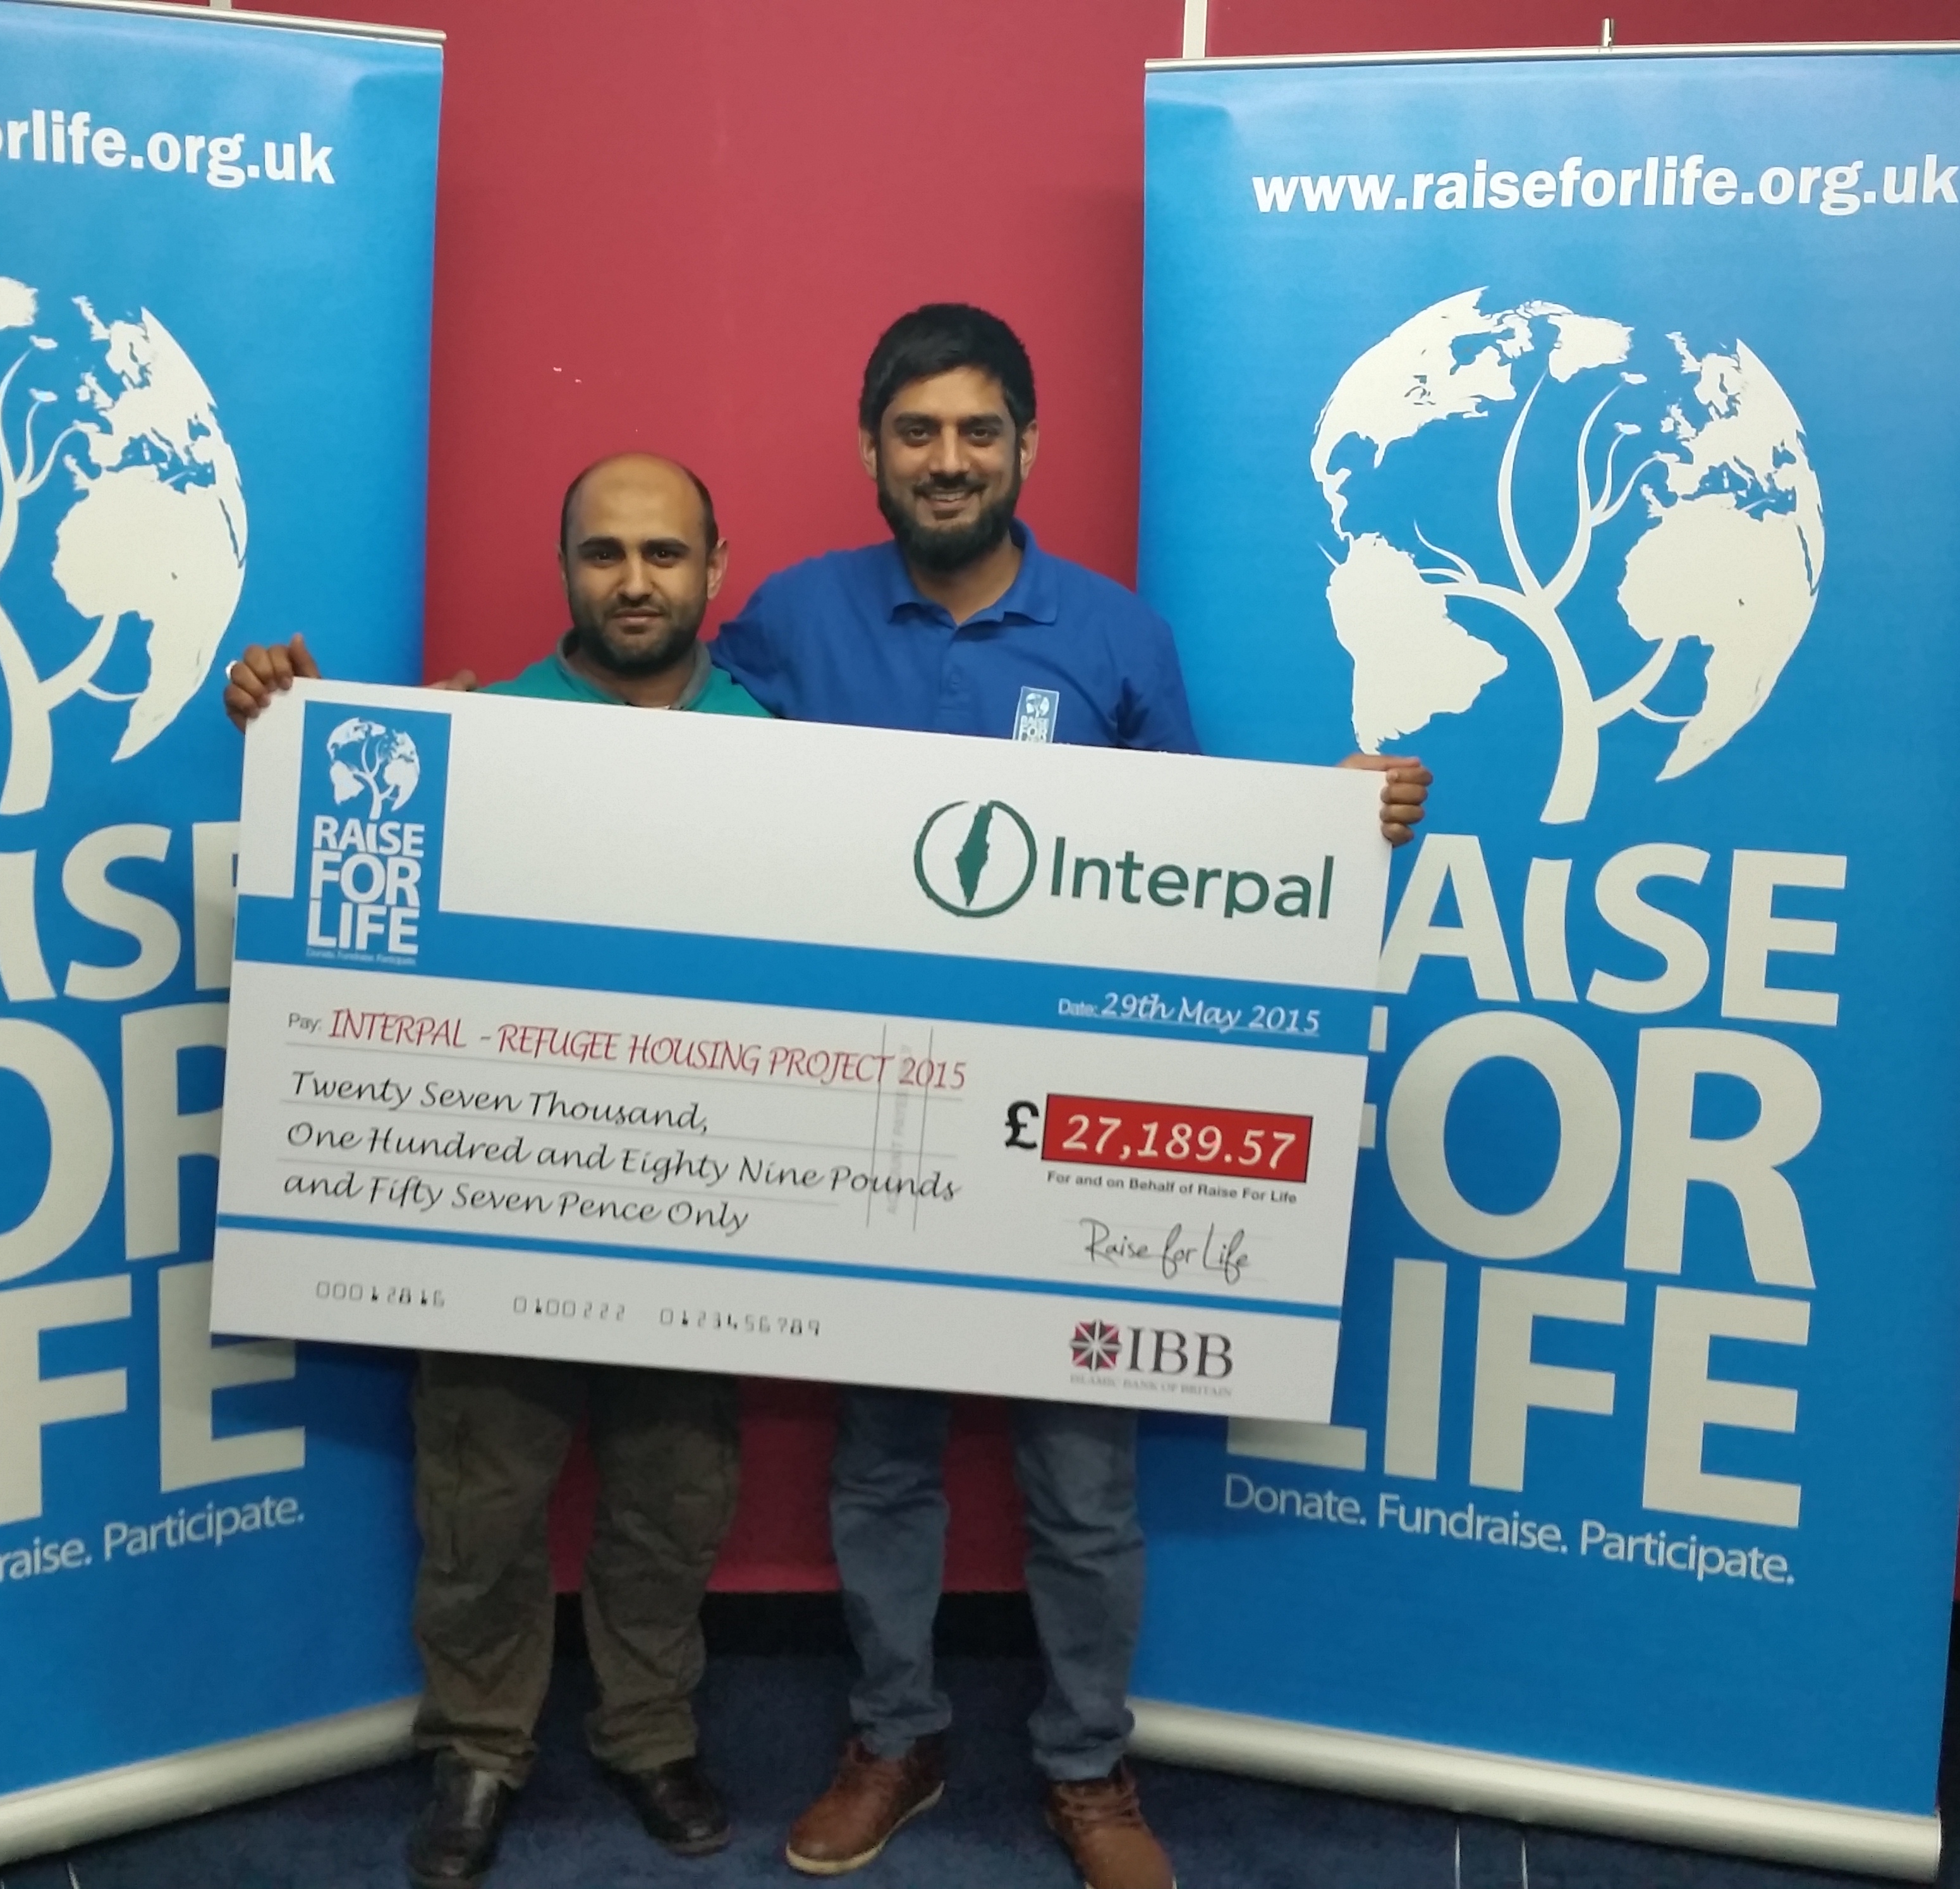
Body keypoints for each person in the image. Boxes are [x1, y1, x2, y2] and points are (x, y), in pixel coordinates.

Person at [712, 305, 1427, 1889]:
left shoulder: (1115, 637)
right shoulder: (794, 617)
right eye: (917, 432)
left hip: (1064, 1140)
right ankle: (895, 1737)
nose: (947, 459)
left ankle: (1088, 1764)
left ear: (1026, 447)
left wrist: (1329, 826)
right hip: (864, 1119)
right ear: (870, 450)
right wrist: (444, 737)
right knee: (880, 1459)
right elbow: (653, 758)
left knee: (1083, 1482)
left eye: (978, 431)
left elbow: (1197, 863)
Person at [223, 453, 769, 1889]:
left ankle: (648, 1733)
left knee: (674, 1494)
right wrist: (299, 732)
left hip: (696, 1199)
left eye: (665, 554)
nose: (635, 582)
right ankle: (476, 1745)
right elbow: (358, 900)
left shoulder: (784, 751)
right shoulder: (471, 732)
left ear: (716, 569)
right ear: (565, 566)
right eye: (605, 553)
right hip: (500, 1200)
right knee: (478, 1498)